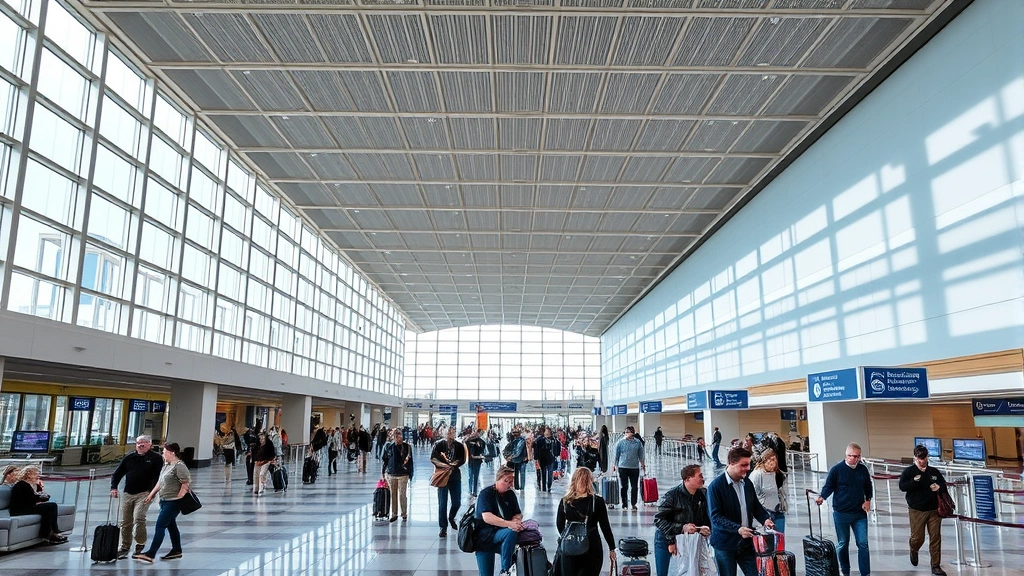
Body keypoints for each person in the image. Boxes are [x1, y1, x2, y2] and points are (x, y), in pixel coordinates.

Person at [708, 446, 775, 576]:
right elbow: (716, 518)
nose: (748, 468)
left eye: (748, 464)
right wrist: (738, 529)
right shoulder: (715, 487)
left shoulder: (746, 483)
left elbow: (755, 505)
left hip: (745, 543)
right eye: (743, 465)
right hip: (725, 545)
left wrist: (765, 519)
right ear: (731, 463)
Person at [815, 443, 873, 576]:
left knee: (863, 544)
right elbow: (829, 486)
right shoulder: (836, 469)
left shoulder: (862, 469)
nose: (854, 459)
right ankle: (845, 570)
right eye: (851, 456)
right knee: (843, 543)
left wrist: (868, 500)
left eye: (857, 456)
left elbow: (868, 486)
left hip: (859, 513)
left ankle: (865, 573)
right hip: (841, 513)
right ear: (846, 455)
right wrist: (822, 497)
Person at [133, 443, 191, 563]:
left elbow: (185, 483)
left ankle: (151, 554)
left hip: (173, 503)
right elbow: (160, 482)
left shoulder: (179, 466)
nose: (162, 454)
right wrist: (151, 495)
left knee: (160, 525)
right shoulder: (167, 465)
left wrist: (179, 497)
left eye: (164, 452)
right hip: (164, 501)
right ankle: (177, 550)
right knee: (171, 525)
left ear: (172, 452)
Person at [556, 467, 616, 576]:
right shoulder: (597, 502)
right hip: (592, 547)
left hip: (569, 549)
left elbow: (560, 525)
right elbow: (605, 526)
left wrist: (571, 538)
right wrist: (612, 547)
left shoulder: (565, 502)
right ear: (590, 482)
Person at [110, 435, 163, 558]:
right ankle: (124, 546)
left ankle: (140, 544)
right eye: (139, 442)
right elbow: (117, 474)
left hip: (145, 493)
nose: (141, 445)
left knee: (139, 517)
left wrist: (153, 492)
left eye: (144, 442)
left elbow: (159, 477)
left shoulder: (156, 458)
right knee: (125, 521)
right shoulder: (129, 458)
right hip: (128, 493)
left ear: (150, 445)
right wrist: (114, 487)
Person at [899, 445, 948, 576]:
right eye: (919, 458)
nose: (922, 461)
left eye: (924, 458)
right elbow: (902, 486)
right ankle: (914, 549)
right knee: (918, 538)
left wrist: (939, 487)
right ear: (915, 457)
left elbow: (943, 484)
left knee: (935, 537)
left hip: (934, 510)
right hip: (917, 510)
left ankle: (935, 565)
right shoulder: (909, 472)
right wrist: (914, 482)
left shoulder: (933, 471)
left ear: (927, 457)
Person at [653, 464, 711, 576]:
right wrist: (671, 540)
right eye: (699, 475)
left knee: (689, 570)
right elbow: (659, 520)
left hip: (688, 540)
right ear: (687, 479)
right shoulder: (672, 495)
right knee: (663, 572)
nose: (702, 478)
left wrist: (703, 529)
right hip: (665, 538)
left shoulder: (703, 494)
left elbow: (704, 517)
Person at [474, 466, 524, 576]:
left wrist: (516, 520)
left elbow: (518, 512)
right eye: (506, 481)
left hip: (502, 534)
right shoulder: (486, 494)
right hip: (485, 537)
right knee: (485, 573)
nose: (509, 484)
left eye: (511, 481)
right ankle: (506, 569)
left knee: (511, 531)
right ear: (498, 479)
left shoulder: (510, 494)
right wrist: (509, 524)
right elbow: (487, 517)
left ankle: (505, 569)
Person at [9, 466, 67, 544]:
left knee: (49, 508)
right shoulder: (22, 485)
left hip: (27, 507)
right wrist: (41, 497)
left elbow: (32, 497)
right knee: (50, 506)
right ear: (29, 475)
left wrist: (42, 496)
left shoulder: (30, 485)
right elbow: (29, 498)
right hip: (20, 510)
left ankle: (50, 533)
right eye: (36, 474)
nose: (38, 476)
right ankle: (52, 532)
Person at [431, 426, 466, 537]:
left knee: (457, 502)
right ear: (444, 433)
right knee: (442, 503)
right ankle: (443, 527)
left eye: (453, 432)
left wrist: (454, 464)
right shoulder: (438, 444)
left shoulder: (459, 445)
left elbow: (462, 459)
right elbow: (433, 458)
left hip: (455, 476)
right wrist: (444, 465)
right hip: (443, 476)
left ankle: (451, 517)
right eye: (449, 432)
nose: (451, 434)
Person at [748, 449, 787, 534]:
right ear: (764, 461)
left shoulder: (777, 473)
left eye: (774, 460)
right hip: (765, 511)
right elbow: (752, 496)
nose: (773, 463)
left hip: (778, 510)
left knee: (779, 540)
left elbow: (781, 490)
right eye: (770, 460)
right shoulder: (757, 474)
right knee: (767, 541)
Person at [382, 428, 413, 522]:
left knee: (402, 494)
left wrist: (411, 474)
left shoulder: (407, 446)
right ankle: (394, 513)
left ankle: (404, 513)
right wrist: (383, 472)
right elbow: (385, 460)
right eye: (395, 434)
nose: (397, 436)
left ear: (402, 435)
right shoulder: (388, 446)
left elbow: (410, 462)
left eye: (399, 434)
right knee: (393, 494)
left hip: (403, 474)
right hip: (391, 474)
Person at [612, 426, 646, 511]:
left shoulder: (638, 443)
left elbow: (641, 455)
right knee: (624, 486)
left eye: (628, 432)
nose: (626, 433)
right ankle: (624, 504)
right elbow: (616, 454)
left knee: (634, 486)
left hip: (634, 467)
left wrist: (643, 465)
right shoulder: (620, 442)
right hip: (623, 467)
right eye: (625, 432)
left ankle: (633, 504)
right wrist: (614, 465)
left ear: (633, 433)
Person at [465, 428, 487, 497]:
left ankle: (474, 491)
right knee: (471, 476)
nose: (478, 434)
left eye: (480, 433)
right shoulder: (470, 440)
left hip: (477, 461)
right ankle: (471, 490)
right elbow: (465, 444)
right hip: (471, 461)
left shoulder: (482, 442)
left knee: (475, 477)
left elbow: (484, 452)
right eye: (478, 433)